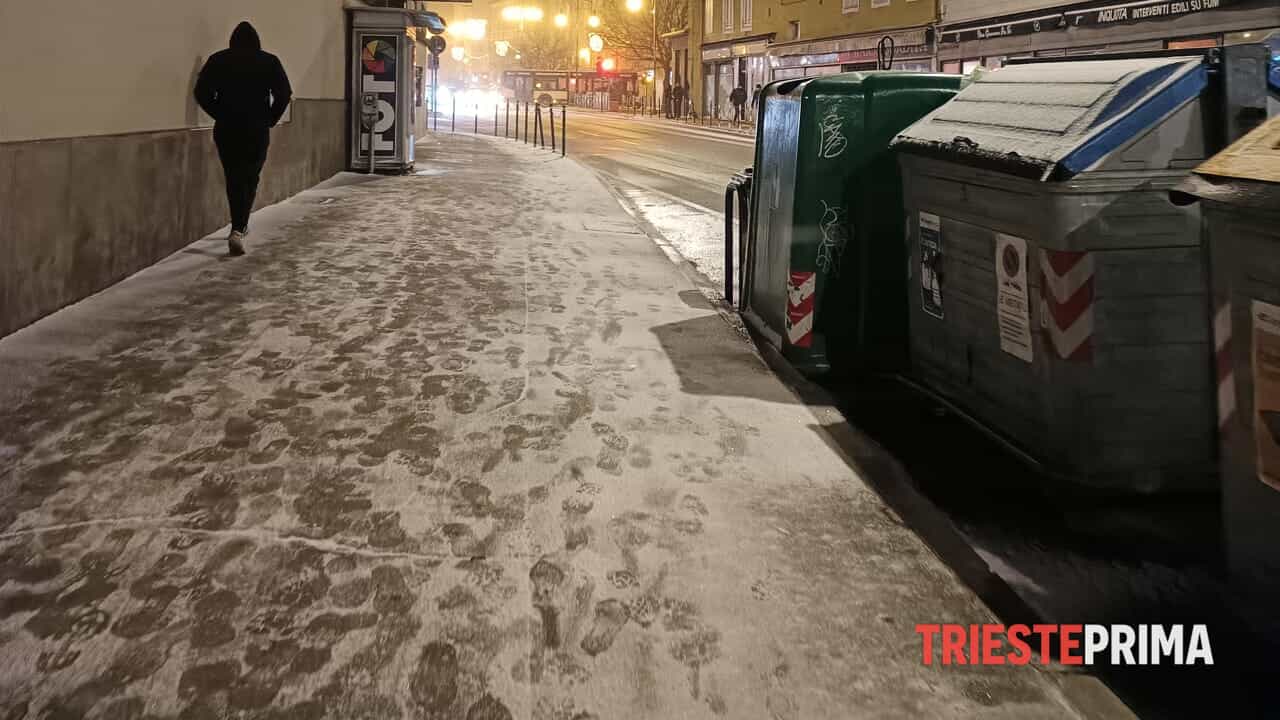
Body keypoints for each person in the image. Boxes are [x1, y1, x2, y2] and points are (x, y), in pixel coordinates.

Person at [194, 22, 292, 256]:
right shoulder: (269, 61)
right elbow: (284, 93)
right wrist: (269, 118)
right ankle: (239, 227)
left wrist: (220, 113)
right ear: (257, 41)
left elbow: (202, 92)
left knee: (233, 175)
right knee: (251, 175)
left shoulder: (219, 60)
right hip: (256, 128)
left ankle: (238, 226)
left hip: (227, 128)